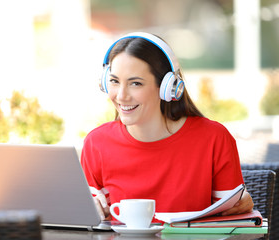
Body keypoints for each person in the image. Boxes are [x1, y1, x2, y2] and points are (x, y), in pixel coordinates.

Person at [80, 32, 254, 221]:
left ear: (167, 86)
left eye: (135, 83)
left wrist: (242, 207)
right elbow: (93, 224)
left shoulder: (214, 138)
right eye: (114, 81)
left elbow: (232, 222)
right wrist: (89, 213)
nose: (121, 96)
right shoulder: (96, 143)